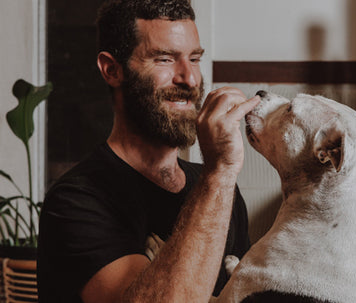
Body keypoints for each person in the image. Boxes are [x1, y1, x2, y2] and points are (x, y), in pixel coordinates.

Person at [37, 0, 260, 302]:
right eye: (165, 60)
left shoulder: (220, 191)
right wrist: (219, 171)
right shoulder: (75, 201)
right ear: (112, 70)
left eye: (194, 58)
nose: (190, 79)